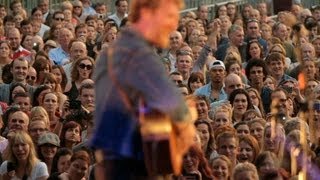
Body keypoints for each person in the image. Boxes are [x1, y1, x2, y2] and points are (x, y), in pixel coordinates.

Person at [91, 0, 196, 179]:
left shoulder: (110, 53)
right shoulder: (139, 55)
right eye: (168, 17)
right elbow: (178, 110)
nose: (172, 25)